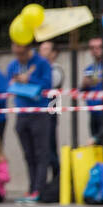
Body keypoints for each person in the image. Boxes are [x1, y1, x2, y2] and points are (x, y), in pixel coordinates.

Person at [6, 41, 54, 203]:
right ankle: (31, 187)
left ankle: (39, 189)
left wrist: (29, 79)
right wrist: (13, 83)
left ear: (28, 50)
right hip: (22, 113)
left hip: (39, 112)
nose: (18, 57)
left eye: (21, 53)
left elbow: (48, 84)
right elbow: (8, 83)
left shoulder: (41, 63)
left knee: (41, 153)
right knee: (28, 154)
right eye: (16, 53)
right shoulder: (13, 65)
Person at [39, 40, 64, 188]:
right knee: (43, 149)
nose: (42, 51)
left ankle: (57, 179)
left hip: (51, 111)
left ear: (54, 53)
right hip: (40, 112)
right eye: (41, 48)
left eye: (46, 49)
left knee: (50, 148)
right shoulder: (41, 68)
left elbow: (48, 85)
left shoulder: (56, 69)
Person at [81, 37, 103, 145]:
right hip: (93, 112)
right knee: (96, 147)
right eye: (92, 48)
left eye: (99, 47)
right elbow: (82, 91)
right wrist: (84, 85)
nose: (96, 50)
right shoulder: (89, 68)